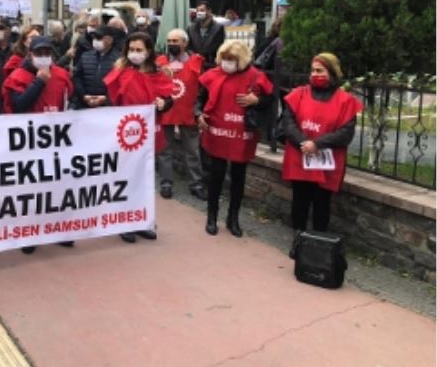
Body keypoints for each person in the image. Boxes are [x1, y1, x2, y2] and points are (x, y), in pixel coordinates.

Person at [2, 35, 74, 254]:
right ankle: (28, 233)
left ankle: (59, 229)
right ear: (30, 54)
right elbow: (18, 106)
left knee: (56, 187)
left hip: (55, 141)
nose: (44, 57)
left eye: (47, 53)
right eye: (39, 53)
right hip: (29, 143)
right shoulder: (17, 77)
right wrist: (39, 82)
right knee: (30, 191)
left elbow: (69, 99)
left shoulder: (61, 75)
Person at [197, 40, 273, 237]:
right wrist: (199, 114)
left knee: (238, 177)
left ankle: (233, 218)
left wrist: (257, 100)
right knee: (216, 176)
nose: (227, 63)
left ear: (242, 59)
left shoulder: (256, 76)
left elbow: (270, 99)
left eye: (231, 59)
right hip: (217, 131)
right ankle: (212, 217)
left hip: (242, 133)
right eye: (224, 58)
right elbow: (200, 100)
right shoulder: (213, 74)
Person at [280, 53, 362, 234]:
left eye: (320, 71)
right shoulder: (298, 94)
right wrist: (304, 142)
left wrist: (317, 144)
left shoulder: (345, 101)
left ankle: (318, 242)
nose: (314, 74)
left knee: (322, 204)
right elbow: (288, 123)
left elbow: (346, 133)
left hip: (326, 162)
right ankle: (298, 239)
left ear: (331, 73)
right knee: (300, 202)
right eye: (312, 70)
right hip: (301, 157)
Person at [104, 31, 174, 243]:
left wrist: (163, 103)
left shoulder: (158, 73)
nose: (134, 53)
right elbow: (112, 98)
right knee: (127, 178)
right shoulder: (120, 72)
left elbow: (168, 99)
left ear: (149, 51)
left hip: (149, 134)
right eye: (131, 49)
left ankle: (143, 220)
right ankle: (125, 221)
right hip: (126, 134)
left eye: (139, 50)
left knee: (145, 179)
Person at [155, 28, 207, 200]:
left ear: (185, 43)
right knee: (164, 150)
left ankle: (196, 184)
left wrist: (199, 110)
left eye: (175, 41)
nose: (171, 44)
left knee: (192, 151)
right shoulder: (159, 62)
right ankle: (166, 184)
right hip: (165, 111)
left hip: (188, 112)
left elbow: (203, 89)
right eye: (169, 41)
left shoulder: (196, 61)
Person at [72, 25, 120, 109]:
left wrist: (106, 99)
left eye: (99, 38)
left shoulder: (119, 60)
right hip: (84, 105)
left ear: (109, 40)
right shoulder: (85, 56)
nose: (95, 40)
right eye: (94, 38)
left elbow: (119, 84)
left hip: (108, 108)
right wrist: (83, 96)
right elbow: (77, 78)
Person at [187, 1, 225, 71]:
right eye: (198, 11)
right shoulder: (191, 28)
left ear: (209, 11)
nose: (199, 13)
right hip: (195, 64)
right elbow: (188, 46)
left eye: (202, 10)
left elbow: (219, 46)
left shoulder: (218, 28)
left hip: (211, 65)